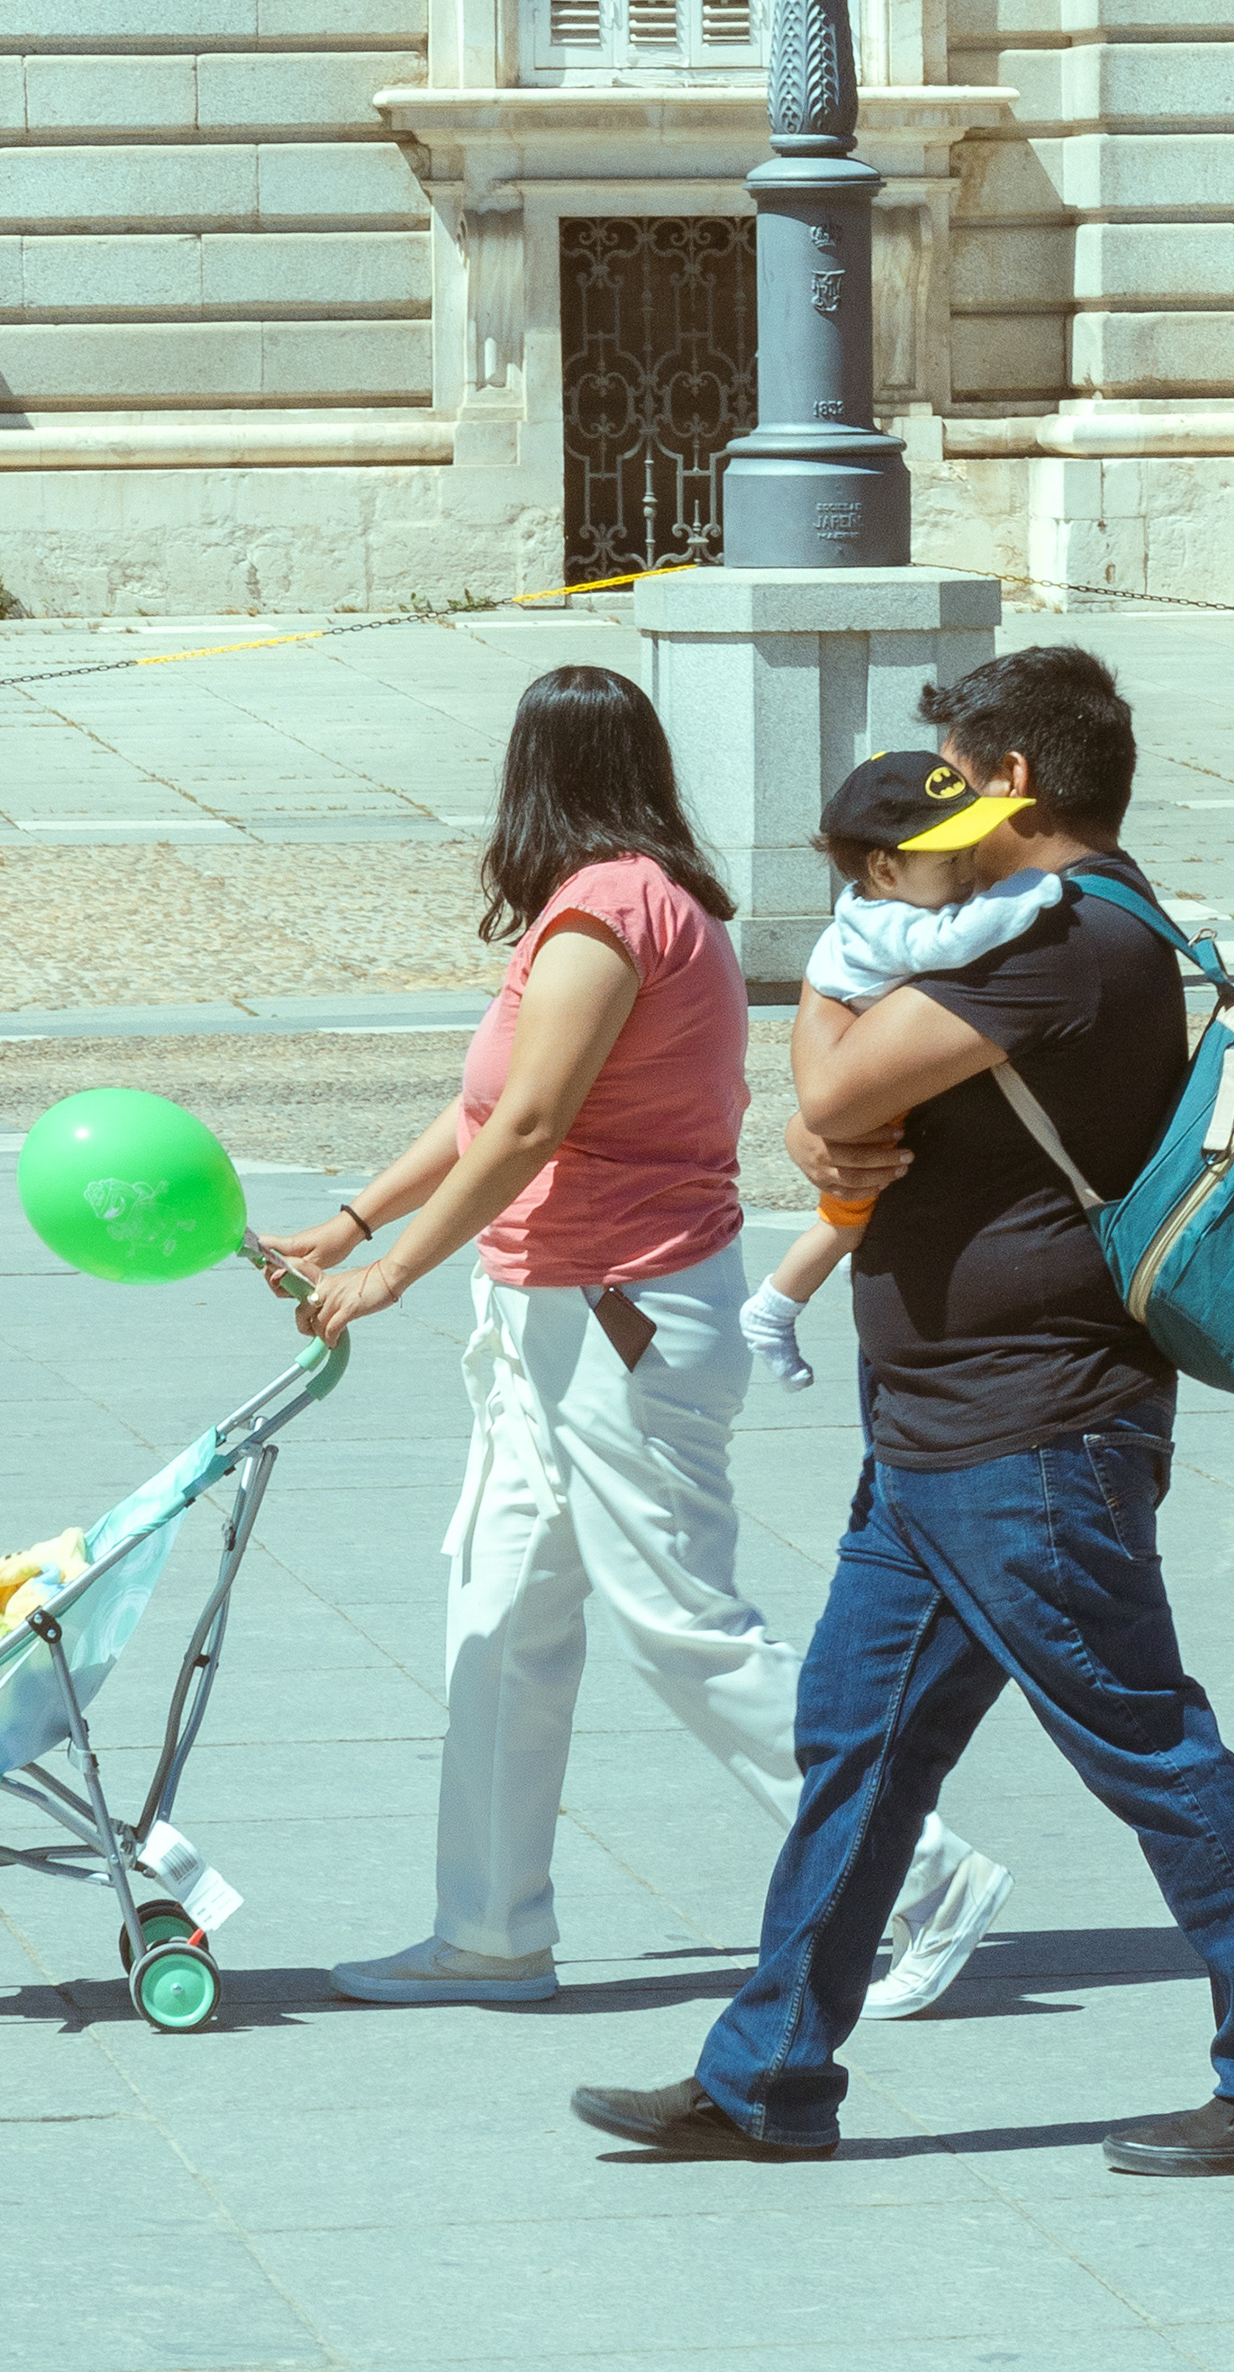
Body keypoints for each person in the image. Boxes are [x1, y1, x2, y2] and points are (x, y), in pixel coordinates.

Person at [570, 641, 1234, 2178]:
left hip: (1032, 1434)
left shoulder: (1068, 943)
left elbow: (834, 1096)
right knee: (856, 1745)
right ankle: (767, 2076)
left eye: (954, 772)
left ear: (1010, 782)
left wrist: (832, 1040)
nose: (933, 803)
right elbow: (854, 1113)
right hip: (946, 1431)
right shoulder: (1048, 932)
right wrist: (847, 1111)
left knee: (1148, 1745)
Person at [260, 662, 1001, 2019]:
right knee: (499, 1614)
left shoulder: (609, 916)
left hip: (621, 1317)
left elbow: (535, 1124)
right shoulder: (604, 909)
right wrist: (352, 1219)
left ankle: (923, 1873)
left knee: (684, 1629)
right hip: (556, 1313)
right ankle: (488, 1930)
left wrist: (394, 1273)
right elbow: (485, 1112)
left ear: (532, 777)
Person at [742, 754, 1066, 1394]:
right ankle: (776, 1306)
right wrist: (1037, 886)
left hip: (880, 1082)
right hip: (875, 1099)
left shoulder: (872, 903)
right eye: (950, 862)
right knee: (843, 1220)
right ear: (885, 868)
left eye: (969, 854)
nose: (970, 874)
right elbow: (953, 942)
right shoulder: (893, 922)